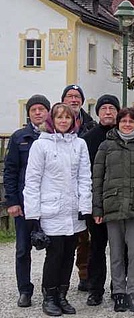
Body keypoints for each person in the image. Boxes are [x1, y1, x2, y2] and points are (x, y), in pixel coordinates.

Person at [23, 103, 92, 316]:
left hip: (72, 210)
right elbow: (32, 181)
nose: (64, 121)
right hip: (51, 209)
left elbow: (84, 177)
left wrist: (85, 206)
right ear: (52, 120)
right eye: (60, 117)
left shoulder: (79, 144)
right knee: (55, 254)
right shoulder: (41, 145)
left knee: (69, 254)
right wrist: (33, 217)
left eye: (68, 118)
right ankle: (49, 296)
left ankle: (62, 295)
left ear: (73, 121)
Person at [92, 107, 134, 313]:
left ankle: (133, 292)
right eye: (124, 121)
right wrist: (97, 208)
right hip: (112, 206)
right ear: (118, 123)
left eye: (132, 121)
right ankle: (119, 293)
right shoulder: (106, 146)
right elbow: (96, 179)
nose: (128, 124)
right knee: (115, 253)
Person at [4, 94, 50, 308]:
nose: (38, 113)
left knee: (54, 248)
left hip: (49, 203)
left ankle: (51, 287)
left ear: (48, 112)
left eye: (42, 109)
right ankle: (25, 289)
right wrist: (12, 201)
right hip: (24, 204)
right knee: (23, 249)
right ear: (29, 113)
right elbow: (10, 171)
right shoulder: (19, 137)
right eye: (34, 110)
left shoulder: (54, 136)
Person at [82, 94, 121, 306]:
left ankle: (119, 288)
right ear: (98, 113)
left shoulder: (124, 135)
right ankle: (95, 288)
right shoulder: (88, 139)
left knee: (119, 247)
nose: (108, 112)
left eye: (112, 109)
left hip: (119, 202)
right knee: (97, 247)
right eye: (104, 108)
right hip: (96, 201)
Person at [61, 84, 95, 292]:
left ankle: (84, 274)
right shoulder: (57, 124)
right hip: (62, 189)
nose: (73, 100)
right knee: (62, 239)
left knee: (85, 237)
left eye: (77, 97)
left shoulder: (90, 125)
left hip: (84, 187)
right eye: (69, 96)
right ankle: (58, 279)